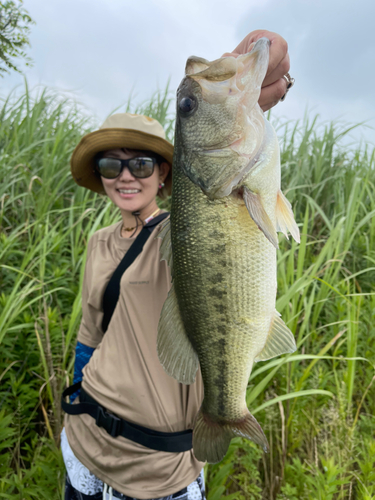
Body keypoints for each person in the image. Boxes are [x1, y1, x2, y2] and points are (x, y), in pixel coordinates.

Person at [61, 30, 294, 500]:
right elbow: (90, 336)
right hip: (83, 443)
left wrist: (257, 81)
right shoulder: (99, 242)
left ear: (165, 172)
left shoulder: (176, 231)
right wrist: (77, 390)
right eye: (111, 166)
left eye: (142, 164)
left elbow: (271, 48)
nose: (126, 176)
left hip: (158, 470)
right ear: (102, 177)